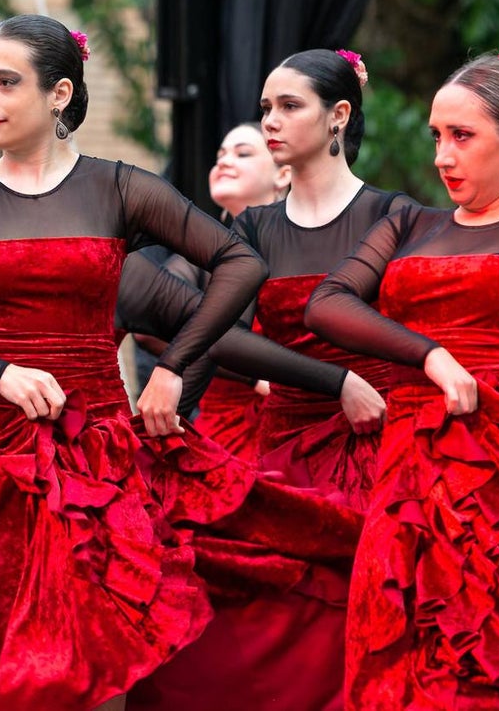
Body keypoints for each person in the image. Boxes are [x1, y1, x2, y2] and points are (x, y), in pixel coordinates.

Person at [0, 14, 360, 710]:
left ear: (59, 93)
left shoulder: (117, 188)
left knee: (87, 660)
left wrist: (174, 369)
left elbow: (237, 263)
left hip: (92, 452)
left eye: (6, 83)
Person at [132, 48, 417, 711]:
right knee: (236, 630)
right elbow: (216, 330)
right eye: (266, 107)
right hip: (283, 453)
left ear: (339, 115)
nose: (271, 121)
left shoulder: (393, 216)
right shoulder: (255, 226)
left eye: (289, 106)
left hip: (380, 450)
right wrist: (177, 405)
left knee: (367, 621)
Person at [306, 53, 499, 708]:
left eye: (462, 136)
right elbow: (328, 303)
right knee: (393, 650)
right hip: (408, 474)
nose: (442, 156)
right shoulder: (412, 223)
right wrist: (430, 355)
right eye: (437, 136)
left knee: (495, 656)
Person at [146, 121, 291, 462]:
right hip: (221, 433)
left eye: (242, 153)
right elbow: (150, 325)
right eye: (220, 155)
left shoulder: (307, 247)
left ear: (283, 175)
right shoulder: (200, 257)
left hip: (300, 425)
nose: (224, 161)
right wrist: (253, 377)